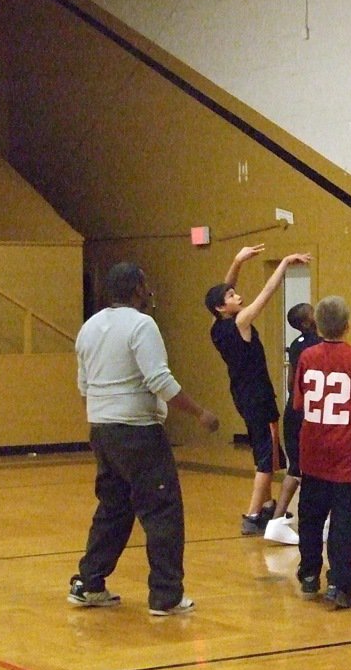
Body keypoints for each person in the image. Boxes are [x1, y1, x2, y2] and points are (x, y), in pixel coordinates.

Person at [69, 262, 220, 616]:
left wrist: (101, 423)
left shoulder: (89, 328)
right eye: (146, 284)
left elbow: (83, 387)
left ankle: (89, 582)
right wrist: (200, 413)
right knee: (162, 510)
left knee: (114, 508)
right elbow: (160, 381)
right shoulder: (142, 325)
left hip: (103, 429)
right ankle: (166, 595)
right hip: (138, 432)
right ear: (138, 288)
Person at [205, 244, 312, 535]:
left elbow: (222, 290)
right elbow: (266, 293)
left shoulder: (217, 326)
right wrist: (286, 261)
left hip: (242, 395)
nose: (236, 294)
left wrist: (237, 261)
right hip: (259, 397)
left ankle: (266, 507)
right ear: (222, 306)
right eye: (231, 295)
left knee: (262, 449)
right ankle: (253, 515)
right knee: (267, 459)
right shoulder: (240, 321)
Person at [292, 296, 351, 610]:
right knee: (343, 522)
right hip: (347, 454)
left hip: (313, 450)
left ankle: (309, 575)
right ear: (348, 326)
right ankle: (339, 584)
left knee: (309, 517)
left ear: (318, 325)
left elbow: (299, 402)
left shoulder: (307, 356)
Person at [264, 302, 322, 544]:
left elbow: (290, 384)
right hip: (305, 412)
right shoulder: (316, 345)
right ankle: (280, 521)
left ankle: (283, 522)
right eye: (313, 311)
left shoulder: (296, 346)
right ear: (307, 322)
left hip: (293, 411)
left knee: (297, 467)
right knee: (302, 468)